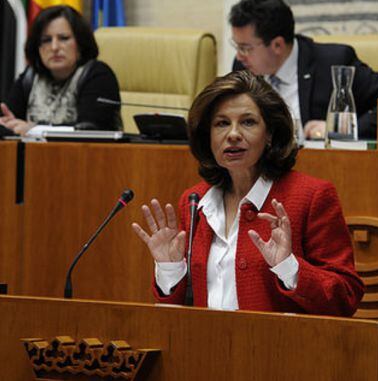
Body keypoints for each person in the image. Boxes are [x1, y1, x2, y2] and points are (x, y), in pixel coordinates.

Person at [131, 70, 364, 316]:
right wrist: (170, 268)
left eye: (248, 122)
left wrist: (289, 267)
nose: (233, 134)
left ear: (270, 134)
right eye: (222, 123)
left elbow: (346, 298)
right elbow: (178, 308)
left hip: (281, 350)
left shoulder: (311, 196)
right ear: (207, 136)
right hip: (206, 349)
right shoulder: (195, 202)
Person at [229, 0, 378, 140]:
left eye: (245, 48)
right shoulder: (243, 68)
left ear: (277, 45)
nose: (239, 56)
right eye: (237, 47)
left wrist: (341, 129)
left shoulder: (333, 63)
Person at [0, 5, 122, 134]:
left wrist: (34, 130)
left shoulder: (98, 75)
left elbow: (91, 129)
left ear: (80, 43)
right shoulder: (30, 77)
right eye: (46, 40)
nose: (54, 47)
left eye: (63, 38)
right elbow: (12, 116)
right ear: (38, 47)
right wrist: (5, 124)